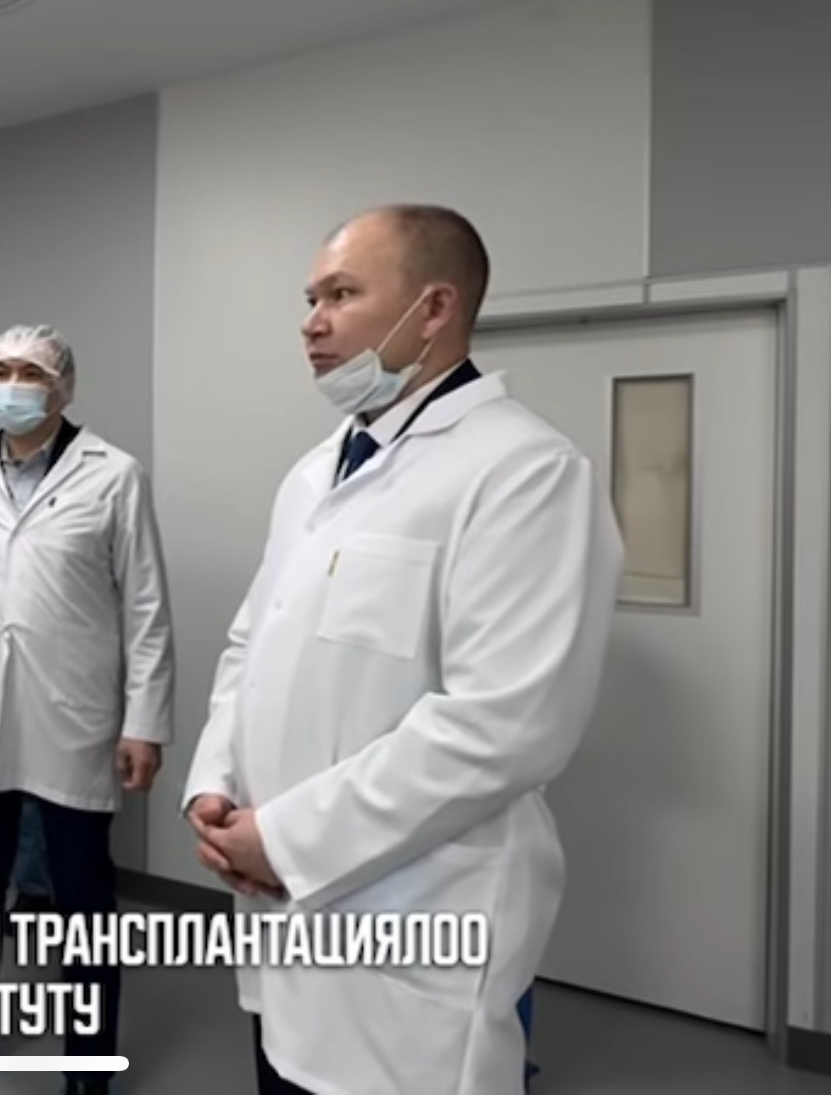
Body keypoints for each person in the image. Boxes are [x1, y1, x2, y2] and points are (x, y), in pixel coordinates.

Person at [181, 204, 622, 1095]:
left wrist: (286, 840)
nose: (312, 322)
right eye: (310, 299)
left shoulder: (525, 471)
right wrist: (213, 785)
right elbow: (251, 642)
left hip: (412, 918)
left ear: (434, 308)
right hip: (277, 902)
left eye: (341, 294)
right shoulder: (314, 473)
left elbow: (508, 726)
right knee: (281, 1070)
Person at [0, 325, 176, 1095]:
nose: (13, 384)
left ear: (63, 387)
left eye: (30, 371)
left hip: (73, 716)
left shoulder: (115, 474)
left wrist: (145, 722)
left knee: (84, 895)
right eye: (2, 369)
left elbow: (147, 607)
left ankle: (88, 1066)